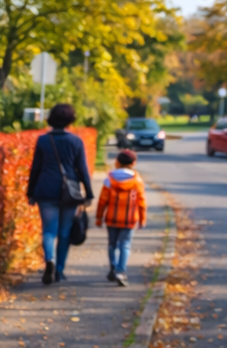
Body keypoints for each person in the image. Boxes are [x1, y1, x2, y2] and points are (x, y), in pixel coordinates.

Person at [25, 103, 94, 285]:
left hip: (46, 190)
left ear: (51, 119)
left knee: (48, 230)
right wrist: (89, 194)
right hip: (69, 192)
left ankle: (50, 260)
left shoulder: (43, 140)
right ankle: (60, 271)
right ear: (70, 121)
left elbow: (36, 169)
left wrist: (30, 193)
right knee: (64, 233)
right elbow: (83, 170)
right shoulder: (76, 141)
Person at [94, 149, 147, 286]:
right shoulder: (137, 180)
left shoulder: (109, 180)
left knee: (112, 244)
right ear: (133, 163)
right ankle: (121, 271)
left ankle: (113, 266)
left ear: (117, 162)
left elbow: (102, 200)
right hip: (129, 219)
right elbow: (141, 201)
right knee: (125, 245)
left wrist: (99, 217)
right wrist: (142, 219)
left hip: (112, 218)